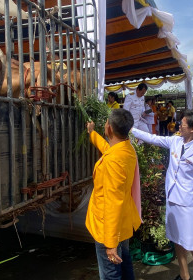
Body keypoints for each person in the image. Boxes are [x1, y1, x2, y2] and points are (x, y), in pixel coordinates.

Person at [131, 109, 193, 280]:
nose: (180, 125)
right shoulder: (175, 142)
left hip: (188, 205)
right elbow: (154, 138)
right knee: (177, 240)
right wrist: (131, 129)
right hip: (172, 200)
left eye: (184, 123)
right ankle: (184, 275)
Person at [85, 109, 141, 279]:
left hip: (108, 227)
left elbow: (112, 202)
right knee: (124, 265)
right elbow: (107, 148)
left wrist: (110, 244)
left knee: (110, 274)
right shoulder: (126, 149)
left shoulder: (113, 161)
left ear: (108, 128)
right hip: (122, 222)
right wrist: (92, 133)